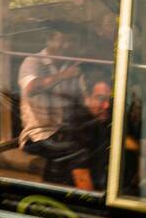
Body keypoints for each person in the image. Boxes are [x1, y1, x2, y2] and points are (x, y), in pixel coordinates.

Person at [17, 24, 93, 189]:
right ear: (49, 40)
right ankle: (89, 200)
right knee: (80, 152)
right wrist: (64, 76)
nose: (68, 46)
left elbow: (84, 102)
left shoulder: (72, 66)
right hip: (39, 135)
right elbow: (32, 88)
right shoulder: (33, 62)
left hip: (67, 131)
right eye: (63, 41)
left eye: (71, 41)